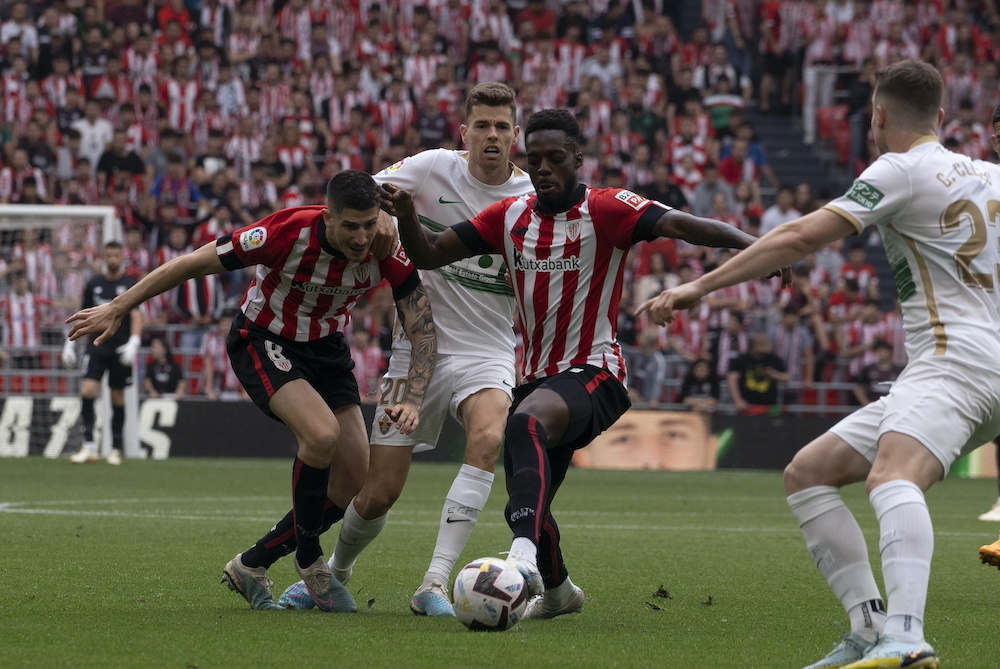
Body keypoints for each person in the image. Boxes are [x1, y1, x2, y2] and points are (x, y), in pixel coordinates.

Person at [640, 60, 1000, 668]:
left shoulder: (900, 167)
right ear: (941, 117)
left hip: (951, 362)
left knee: (893, 478)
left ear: (878, 117)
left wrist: (698, 288)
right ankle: (867, 626)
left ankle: (907, 637)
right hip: (984, 364)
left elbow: (800, 237)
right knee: (809, 472)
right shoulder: (992, 175)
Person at [383, 108, 777, 620]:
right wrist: (409, 213)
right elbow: (431, 253)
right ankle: (561, 593)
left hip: (595, 372)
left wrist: (759, 246)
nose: (543, 168)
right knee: (527, 506)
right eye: (535, 159)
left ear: (577, 159)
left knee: (521, 425)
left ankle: (519, 561)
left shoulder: (608, 208)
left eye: (554, 158)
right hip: (538, 379)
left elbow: (686, 225)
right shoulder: (510, 216)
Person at [66, 170, 437, 612]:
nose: (361, 237)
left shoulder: (385, 245)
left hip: (328, 352)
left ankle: (252, 563)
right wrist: (119, 305)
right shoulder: (285, 231)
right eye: (350, 226)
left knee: (355, 477)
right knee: (320, 436)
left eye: (369, 223)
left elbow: (422, 327)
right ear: (328, 216)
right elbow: (193, 262)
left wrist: (414, 397)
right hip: (265, 340)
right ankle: (308, 557)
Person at [279, 82, 534, 618]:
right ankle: (333, 576)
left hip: (487, 351)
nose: (492, 135)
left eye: (502, 126)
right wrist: (388, 216)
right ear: (464, 132)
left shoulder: (529, 200)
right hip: (415, 354)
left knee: (488, 437)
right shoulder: (430, 167)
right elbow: (357, 198)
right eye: (482, 125)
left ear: (516, 135)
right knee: (377, 493)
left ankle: (434, 584)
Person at [63, 242, 143, 466]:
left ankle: (115, 448)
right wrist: (69, 344)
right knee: (88, 390)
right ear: (104, 257)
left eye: (116, 255)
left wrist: (134, 343)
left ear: (122, 258)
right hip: (96, 346)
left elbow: (137, 316)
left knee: (117, 397)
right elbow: (83, 313)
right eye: (109, 255)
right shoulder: (94, 284)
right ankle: (88, 446)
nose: (113, 259)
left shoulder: (129, 285)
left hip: (120, 347)